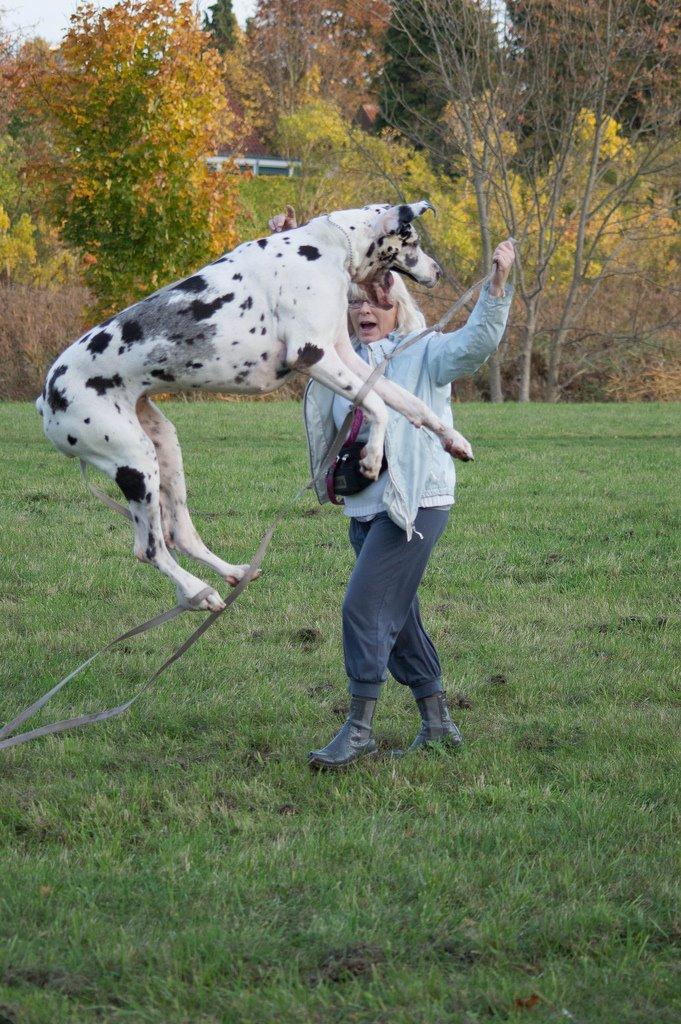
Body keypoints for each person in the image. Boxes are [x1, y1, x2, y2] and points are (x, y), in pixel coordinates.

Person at [269, 205, 515, 769]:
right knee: (397, 615)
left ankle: (359, 728)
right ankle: (438, 724)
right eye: (351, 305)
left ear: (397, 304)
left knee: (362, 607)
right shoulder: (338, 361)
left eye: (372, 303)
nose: (360, 312)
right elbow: (296, 307)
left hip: (416, 503)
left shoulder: (426, 352)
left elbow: (476, 343)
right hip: (363, 505)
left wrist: (496, 286)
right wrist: (285, 242)